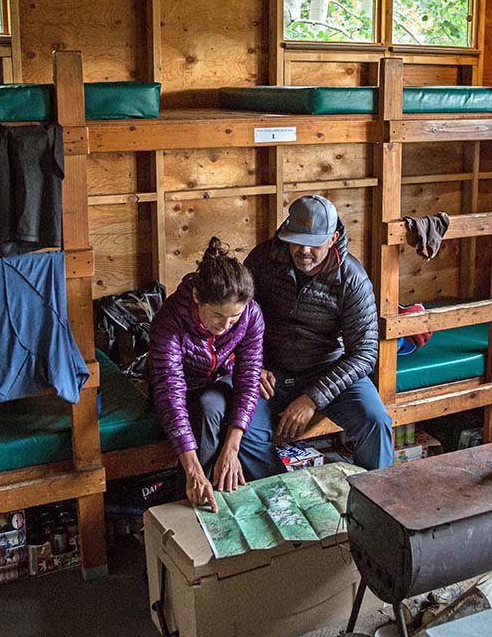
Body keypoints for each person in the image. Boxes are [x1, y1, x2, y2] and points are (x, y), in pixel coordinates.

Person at [240, 195, 393, 478]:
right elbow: (237, 317)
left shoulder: (352, 278)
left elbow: (365, 352)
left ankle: (376, 506)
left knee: (376, 421)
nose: (303, 251)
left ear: (334, 238)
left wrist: (312, 399)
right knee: (241, 432)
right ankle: (281, 498)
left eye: (314, 243)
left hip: (327, 371)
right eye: (296, 240)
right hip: (269, 372)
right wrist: (251, 365)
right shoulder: (262, 261)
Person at [145, 237, 263, 512]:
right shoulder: (169, 320)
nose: (226, 326)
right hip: (182, 388)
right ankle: (192, 504)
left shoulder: (251, 316)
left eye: (234, 318)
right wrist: (193, 470)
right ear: (197, 298)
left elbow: (248, 377)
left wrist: (231, 449)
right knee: (207, 410)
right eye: (218, 316)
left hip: (222, 380)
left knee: (246, 427)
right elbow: (169, 391)